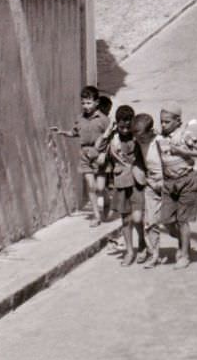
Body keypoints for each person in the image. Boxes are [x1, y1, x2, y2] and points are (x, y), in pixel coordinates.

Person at [50, 85, 109, 227]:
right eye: (83, 103)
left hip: (100, 156)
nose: (86, 106)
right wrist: (61, 132)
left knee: (100, 188)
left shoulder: (103, 119)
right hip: (85, 156)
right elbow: (74, 133)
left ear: (96, 103)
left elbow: (110, 138)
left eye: (89, 103)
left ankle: (107, 200)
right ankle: (96, 216)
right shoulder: (80, 118)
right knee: (91, 186)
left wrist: (103, 154)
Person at [157, 101, 197, 270]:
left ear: (177, 121)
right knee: (167, 221)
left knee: (183, 220)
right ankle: (183, 242)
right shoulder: (160, 137)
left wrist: (183, 151)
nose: (163, 125)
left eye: (167, 122)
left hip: (186, 180)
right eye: (161, 121)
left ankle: (184, 255)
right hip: (169, 182)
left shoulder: (185, 135)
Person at [98, 105, 147, 266]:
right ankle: (129, 250)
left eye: (128, 126)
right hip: (120, 183)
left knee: (138, 218)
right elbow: (98, 148)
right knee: (125, 219)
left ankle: (142, 242)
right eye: (121, 126)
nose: (125, 130)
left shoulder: (137, 136)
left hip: (136, 181)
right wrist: (108, 131)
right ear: (116, 123)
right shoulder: (112, 137)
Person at [134, 112, 167, 269]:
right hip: (151, 183)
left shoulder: (160, 141)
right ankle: (154, 254)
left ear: (150, 131)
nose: (139, 140)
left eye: (142, 137)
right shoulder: (139, 141)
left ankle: (183, 248)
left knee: (172, 222)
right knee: (150, 222)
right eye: (138, 137)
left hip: (166, 182)